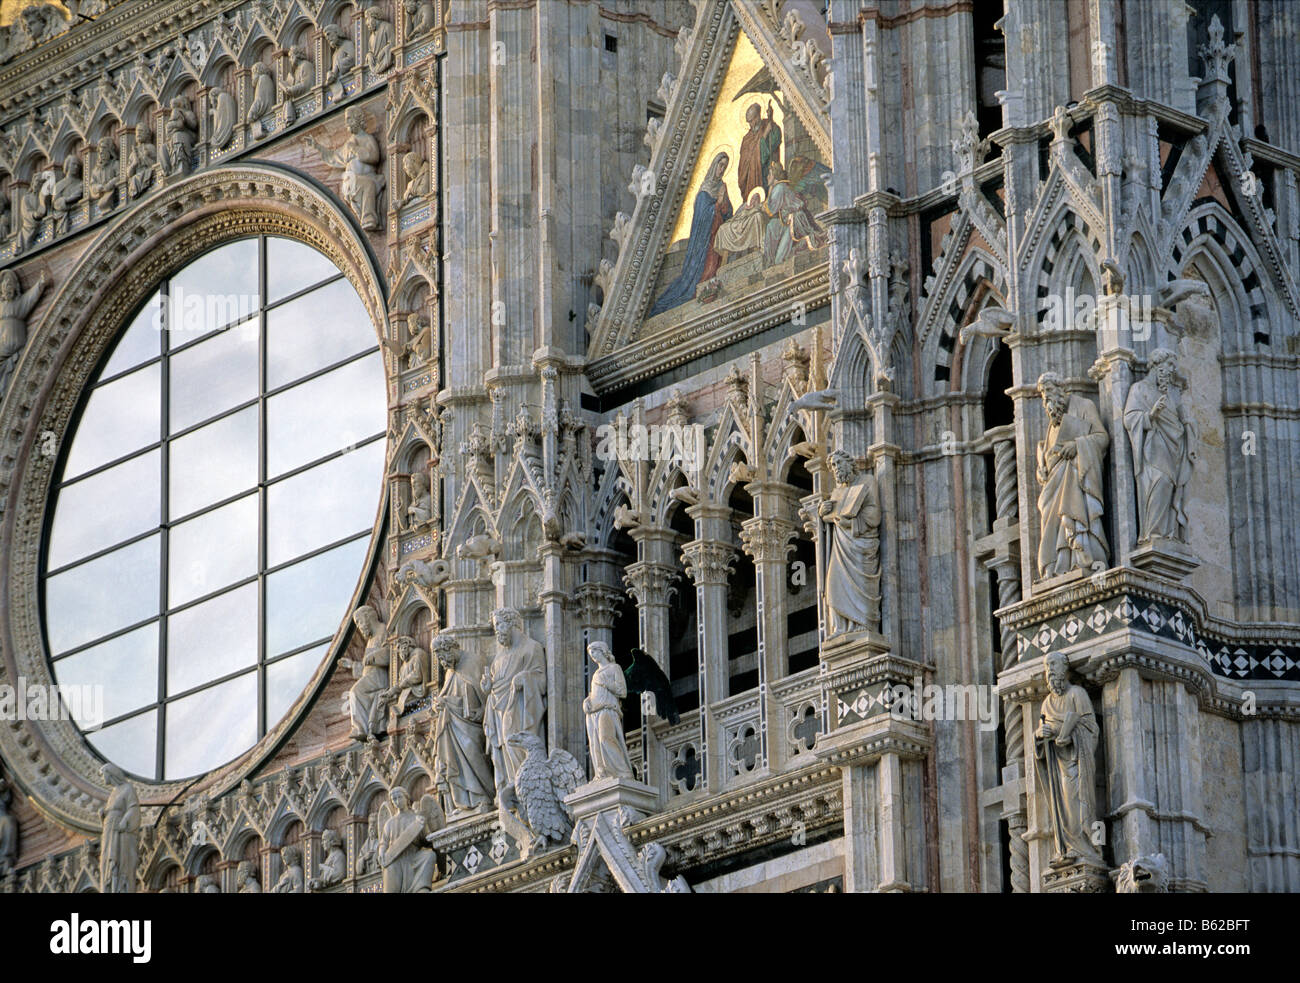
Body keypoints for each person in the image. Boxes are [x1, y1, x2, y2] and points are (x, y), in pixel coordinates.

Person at [1035, 373, 1109, 577]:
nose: (1046, 399)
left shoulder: (1084, 406)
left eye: (1049, 391)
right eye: (1043, 395)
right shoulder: (1053, 424)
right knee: (1050, 516)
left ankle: (1081, 557)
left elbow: (1102, 437)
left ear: (1061, 389)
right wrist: (1042, 470)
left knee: (1072, 514)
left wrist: (1077, 445)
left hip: (1075, 479)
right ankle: (1057, 565)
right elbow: (1050, 456)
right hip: (1053, 486)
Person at [1123, 348, 1197, 544]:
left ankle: (1166, 533)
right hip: (1151, 448)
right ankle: (1153, 533)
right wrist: (1150, 416)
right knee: (1160, 482)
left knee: (1169, 486)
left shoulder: (1172, 396)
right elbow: (1130, 418)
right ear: (1157, 365)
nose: (1172, 370)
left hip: (1173, 450)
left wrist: (1189, 425)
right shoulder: (1138, 389)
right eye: (1169, 365)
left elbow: (1182, 420)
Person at [1033, 652, 1101, 865]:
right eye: (1046, 666)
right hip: (1058, 765)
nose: (1050, 669)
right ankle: (1066, 848)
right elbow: (1041, 737)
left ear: (1065, 668)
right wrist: (1039, 735)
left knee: (1077, 803)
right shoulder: (1046, 703)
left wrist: (1069, 734)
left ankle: (1087, 849)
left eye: (1053, 664)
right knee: (1060, 807)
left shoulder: (1077, 694)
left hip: (1078, 761)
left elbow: (1091, 727)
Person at [648, 152, 732, 317]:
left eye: (725, 166)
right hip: (703, 241)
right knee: (698, 276)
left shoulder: (722, 187)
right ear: (714, 165)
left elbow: (728, 213)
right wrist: (717, 205)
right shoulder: (704, 192)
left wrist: (724, 205)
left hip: (718, 233)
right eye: (720, 165)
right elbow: (701, 219)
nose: (722, 169)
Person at [481, 606, 547, 799]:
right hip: (498, 711)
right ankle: (513, 784)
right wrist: (488, 687)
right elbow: (494, 686)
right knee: (504, 748)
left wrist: (525, 678)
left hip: (520, 707)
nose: (497, 631)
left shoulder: (531, 648)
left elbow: (541, 682)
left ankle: (525, 784)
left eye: (499, 625)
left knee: (516, 742)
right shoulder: (499, 658)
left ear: (511, 623)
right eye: (495, 627)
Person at [430, 634, 494, 816]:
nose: (442, 662)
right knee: (454, 760)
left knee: (473, 754)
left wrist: (480, 711)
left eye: (443, 656)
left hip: (473, 725)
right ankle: (465, 803)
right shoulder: (451, 671)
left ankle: (483, 797)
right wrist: (439, 704)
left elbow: (488, 694)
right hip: (454, 726)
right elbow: (446, 695)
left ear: (451, 648)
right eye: (439, 658)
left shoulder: (473, 662)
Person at [820, 450, 882, 635]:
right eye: (832, 466)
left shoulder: (867, 482)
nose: (836, 468)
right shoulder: (837, 491)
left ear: (850, 463)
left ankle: (863, 623)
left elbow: (875, 514)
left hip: (861, 545)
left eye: (838, 463)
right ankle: (840, 627)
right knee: (832, 585)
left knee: (861, 584)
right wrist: (822, 511)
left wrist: (854, 523)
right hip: (840, 546)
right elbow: (828, 519)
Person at [584, 642, 635, 780]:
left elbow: (622, 691)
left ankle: (623, 771)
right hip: (594, 712)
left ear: (603, 651)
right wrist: (587, 701)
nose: (593, 656)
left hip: (608, 709)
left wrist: (605, 683)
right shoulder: (595, 674)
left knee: (606, 739)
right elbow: (595, 694)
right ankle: (603, 772)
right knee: (595, 744)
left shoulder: (614, 668)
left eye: (594, 652)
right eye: (590, 654)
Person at [340, 605, 390, 741]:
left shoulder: (383, 630)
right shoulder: (370, 640)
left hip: (380, 677)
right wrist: (352, 665)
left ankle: (360, 728)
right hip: (371, 677)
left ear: (368, 617)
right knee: (355, 692)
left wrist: (372, 657)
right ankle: (361, 728)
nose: (360, 627)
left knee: (355, 691)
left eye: (360, 622)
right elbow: (366, 668)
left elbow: (390, 654)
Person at [98, 763, 140, 893]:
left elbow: (133, 808)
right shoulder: (113, 792)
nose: (102, 778)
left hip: (120, 831)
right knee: (106, 863)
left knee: (118, 861)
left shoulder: (128, 788)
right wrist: (103, 815)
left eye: (103, 774)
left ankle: (120, 887)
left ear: (110, 774)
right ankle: (109, 885)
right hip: (109, 831)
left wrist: (125, 821)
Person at [737, 101, 781, 202]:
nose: (751, 125)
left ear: (758, 116)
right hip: (752, 181)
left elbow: (775, 140)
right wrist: (764, 135)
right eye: (749, 122)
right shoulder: (746, 139)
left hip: (767, 174)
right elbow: (744, 164)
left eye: (752, 120)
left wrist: (772, 122)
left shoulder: (768, 125)